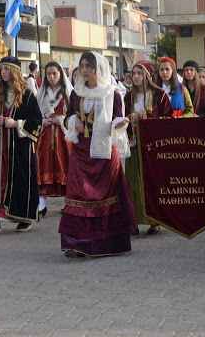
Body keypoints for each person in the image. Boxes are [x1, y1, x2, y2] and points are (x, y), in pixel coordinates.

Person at [60, 51, 136, 258]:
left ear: (98, 68)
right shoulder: (77, 93)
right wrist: (71, 120)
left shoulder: (112, 93)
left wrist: (119, 124)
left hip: (103, 151)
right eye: (82, 66)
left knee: (104, 195)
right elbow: (67, 116)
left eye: (89, 66)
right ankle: (76, 243)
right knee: (78, 193)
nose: (84, 70)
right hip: (81, 150)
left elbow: (117, 118)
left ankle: (106, 244)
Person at [0, 56, 42, 233]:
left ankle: (24, 216)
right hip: (1, 147)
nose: (3, 72)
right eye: (1, 69)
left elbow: (36, 120)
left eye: (6, 69)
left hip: (20, 148)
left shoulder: (28, 95)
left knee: (21, 180)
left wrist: (17, 124)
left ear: (14, 71)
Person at [124, 60, 173, 235]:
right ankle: (133, 221)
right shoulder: (127, 96)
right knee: (133, 181)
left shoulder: (160, 95)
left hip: (153, 146)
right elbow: (122, 118)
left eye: (139, 73)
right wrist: (129, 118)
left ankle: (154, 221)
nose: (135, 77)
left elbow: (169, 120)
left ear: (148, 75)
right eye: (133, 73)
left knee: (152, 182)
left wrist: (146, 115)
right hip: (133, 143)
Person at [36, 61, 73, 218]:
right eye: (48, 74)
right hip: (45, 135)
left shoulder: (68, 93)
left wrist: (62, 119)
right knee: (43, 166)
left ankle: (67, 202)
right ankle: (41, 203)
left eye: (54, 74)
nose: (51, 77)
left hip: (64, 136)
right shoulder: (42, 93)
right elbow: (36, 114)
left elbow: (74, 114)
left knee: (65, 165)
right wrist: (42, 121)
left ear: (60, 74)